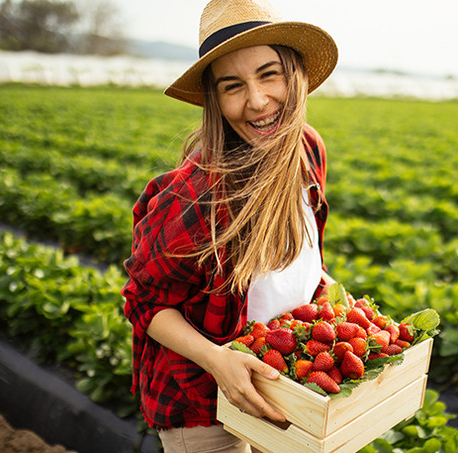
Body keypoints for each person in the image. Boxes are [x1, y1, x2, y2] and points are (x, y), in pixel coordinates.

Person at [121, 0, 338, 451]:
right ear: (215, 100)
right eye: (232, 85)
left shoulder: (307, 150)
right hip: (201, 397)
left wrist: (326, 290)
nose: (257, 101)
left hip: (286, 376)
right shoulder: (195, 194)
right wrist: (217, 359)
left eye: (268, 74)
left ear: (295, 74)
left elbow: (300, 252)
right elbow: (144, 301)